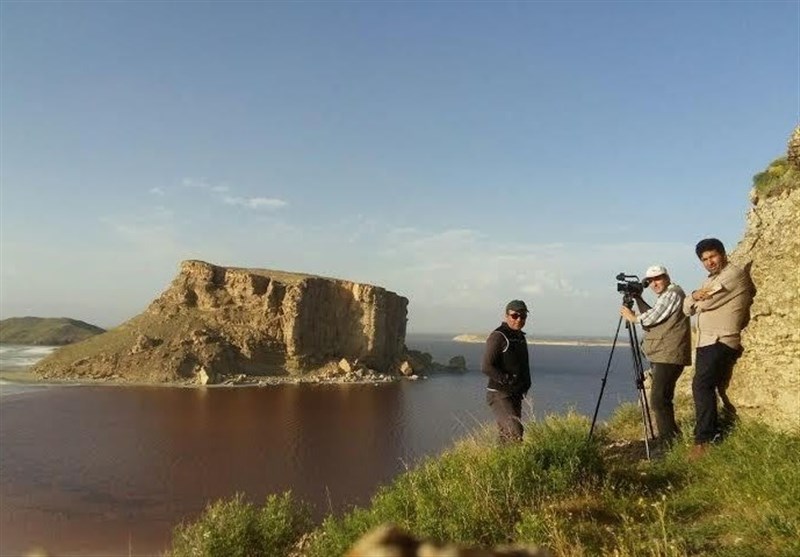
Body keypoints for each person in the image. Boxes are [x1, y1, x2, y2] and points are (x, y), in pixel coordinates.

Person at [683, 238, 754, 458]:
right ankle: (708, 434)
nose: (709, 262)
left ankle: (705, 440)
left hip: (720, 340)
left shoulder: (732, 275)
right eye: (705, 259)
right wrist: (695, 295)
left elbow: (705, 304)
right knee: (703, 385)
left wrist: (697, 299)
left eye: (713, 256)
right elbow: (687, 308)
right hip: (707, 342)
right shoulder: (711, 280)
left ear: (723, 253)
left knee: (701, 385)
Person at [620, 265, 692, 444]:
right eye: (650, 281)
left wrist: (633, 318)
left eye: (658, 279)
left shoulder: (672, 293)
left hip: (669, 354)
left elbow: (652, 318)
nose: (654, 284)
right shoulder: (666, 296)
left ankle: (668, 443)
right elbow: (653, 313)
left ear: (667, 277)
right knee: (662, 399)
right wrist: (638, 299)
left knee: (659, 400)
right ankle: (671, 440)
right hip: (664, 354)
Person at [481, 300, 532, 443]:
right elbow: (486, 366)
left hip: (515, 394)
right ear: (506, 316)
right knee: (515, 431)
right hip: (499, 394)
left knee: (507, 435)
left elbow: (523, 365)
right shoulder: (499, 336)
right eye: (515, 316)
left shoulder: (520, 337)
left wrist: (526, 383)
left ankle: (501, 463)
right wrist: (506, 379)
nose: (519, 319)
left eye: (523, 316)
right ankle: (512, 462)